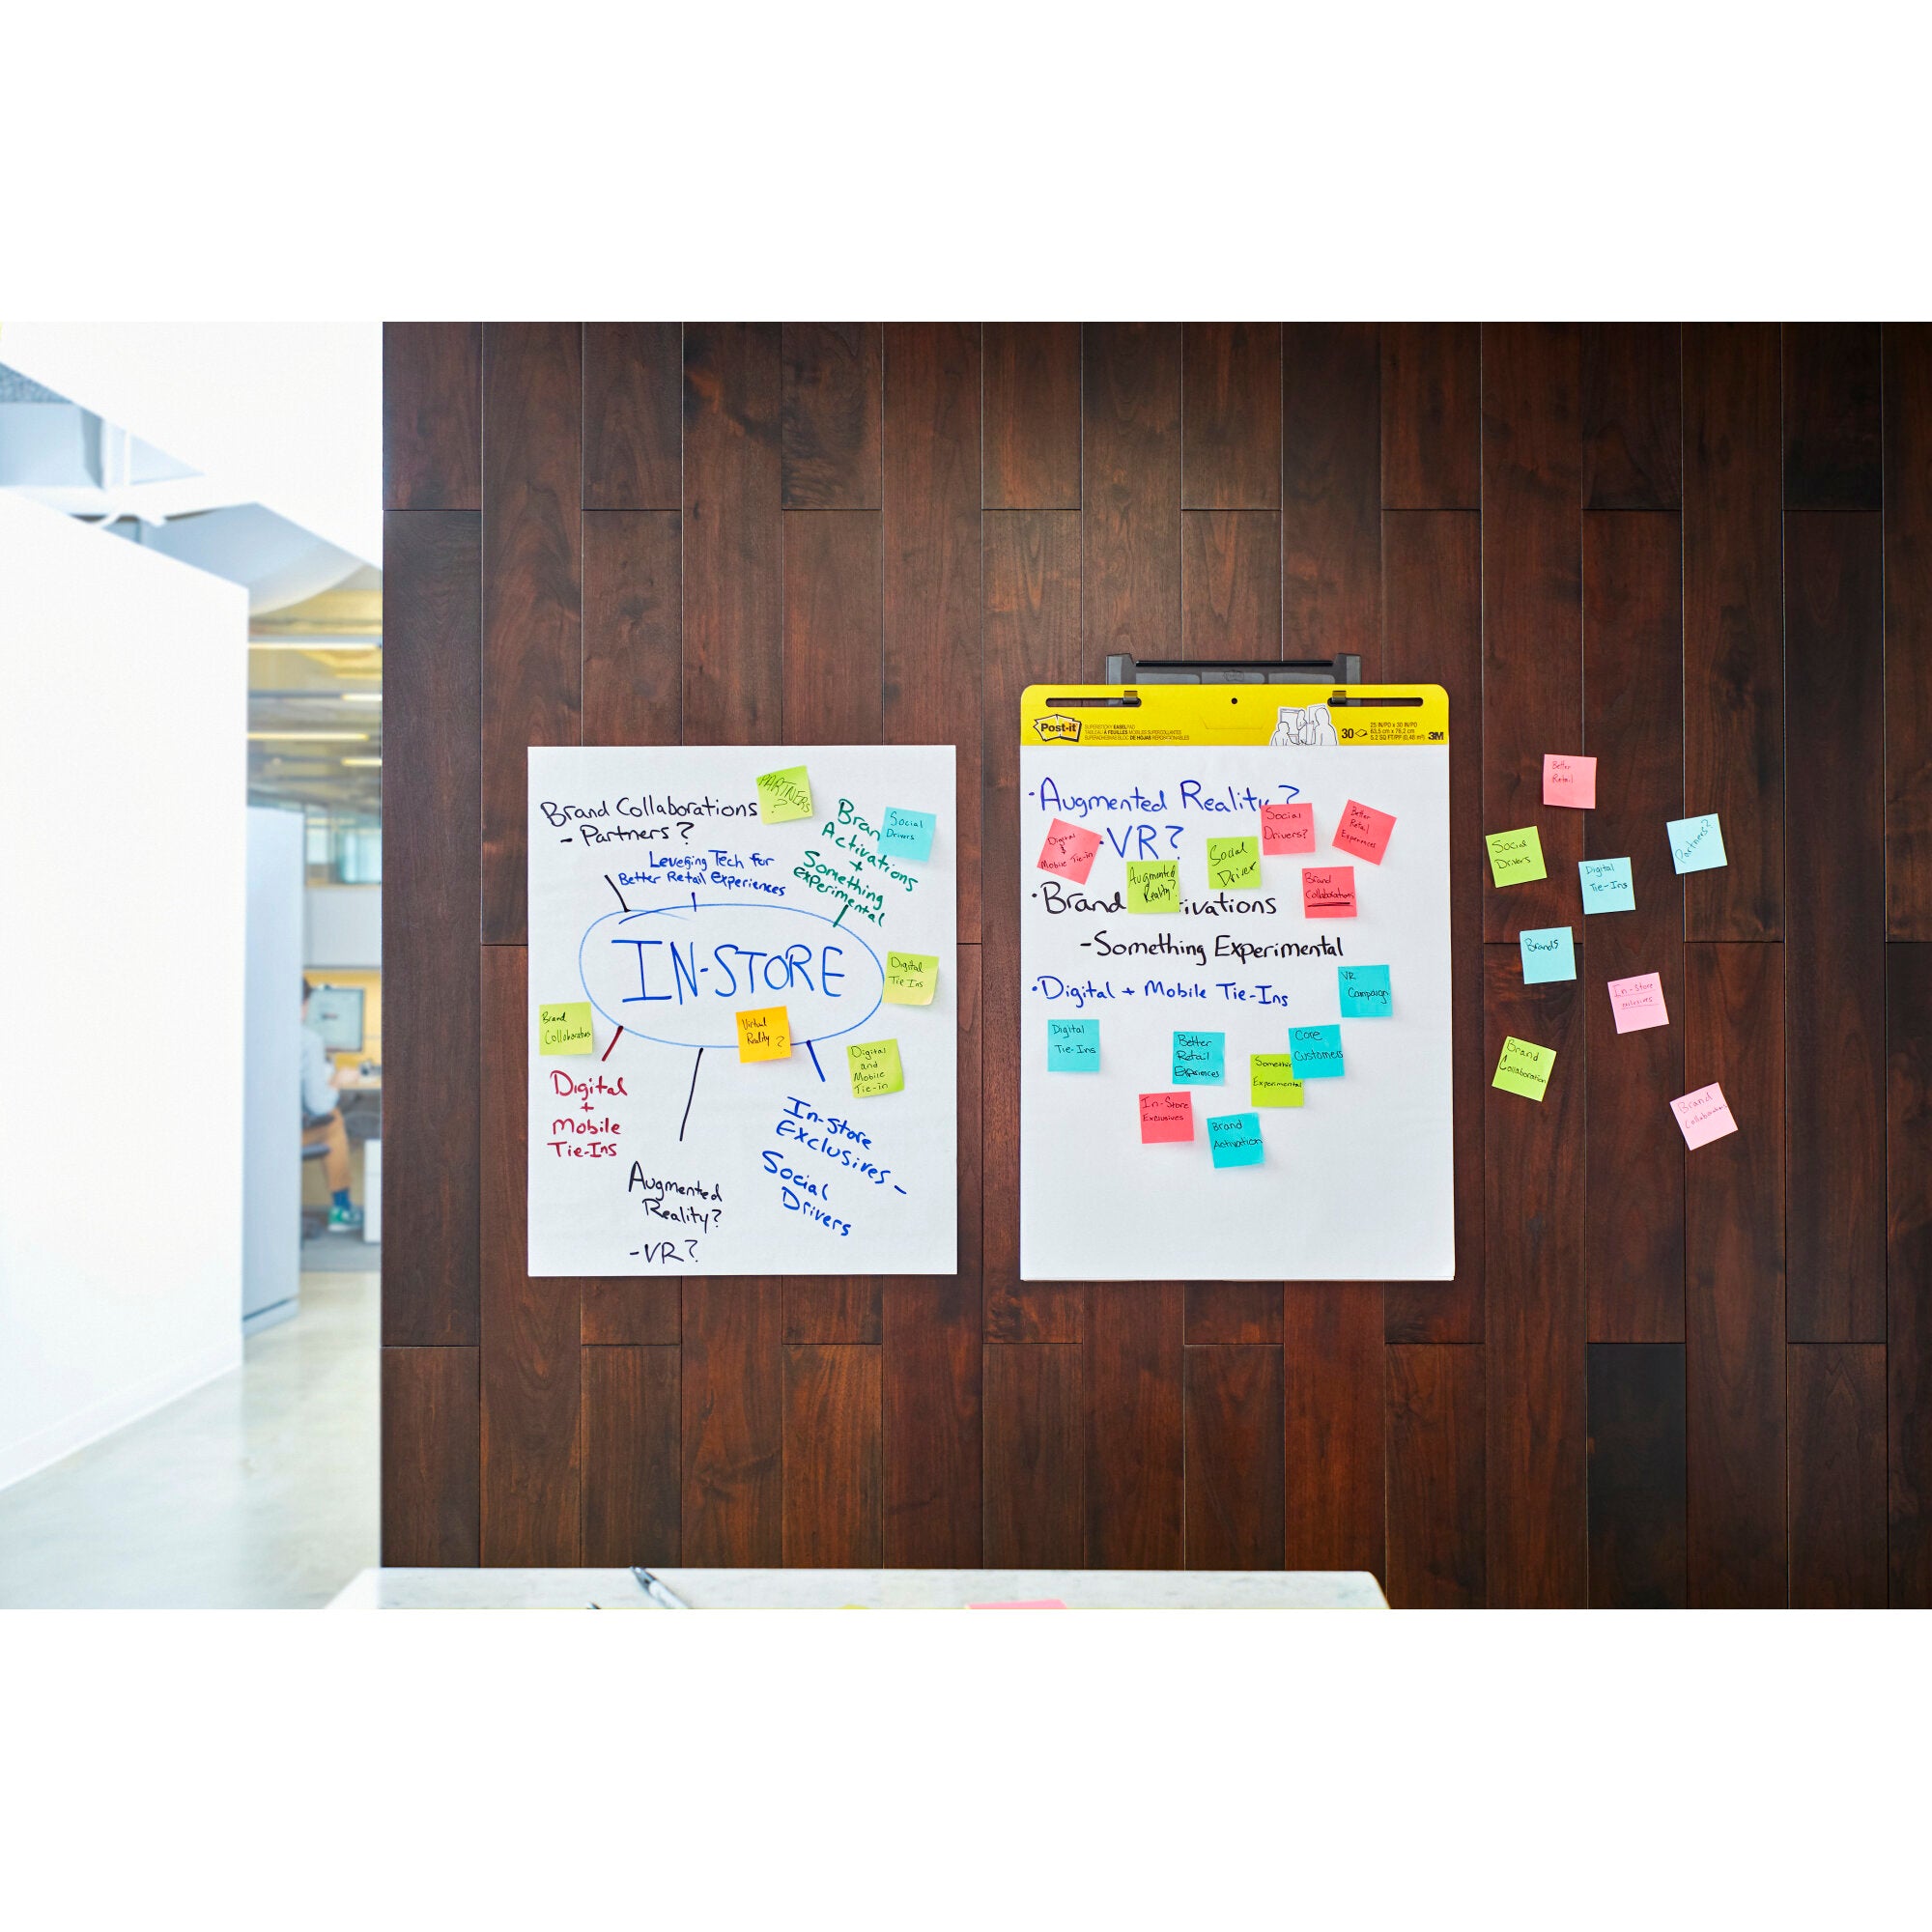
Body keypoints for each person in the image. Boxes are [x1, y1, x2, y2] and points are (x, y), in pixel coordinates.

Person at [301, 981, 362, 1233]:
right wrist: (336, 1081)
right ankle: (341, 1209)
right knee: (333, 1119)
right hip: (288, 1135)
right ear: (304, 1005)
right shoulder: (308, 1040)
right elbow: (317, 1106)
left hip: (258, 1134)